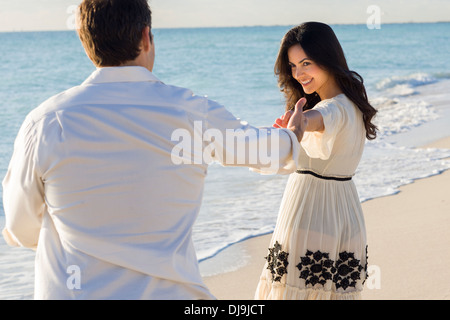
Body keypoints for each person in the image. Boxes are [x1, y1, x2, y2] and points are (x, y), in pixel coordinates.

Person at [1, 0, 307, 300]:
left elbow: (19, 226)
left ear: (85, 41)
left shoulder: (46, 123)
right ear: (146, 36)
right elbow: (264, 151)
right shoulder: (191, 113)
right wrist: (290, 135)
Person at [254, 22, 378, 300]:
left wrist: (299, 125)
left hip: (312, 212)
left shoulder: (331, 108)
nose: (299, 74)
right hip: (343, 211)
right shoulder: (351, 104)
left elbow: (319, 119)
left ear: (327, 58)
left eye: (306, 63)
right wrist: (293, 128)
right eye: (293, 66)